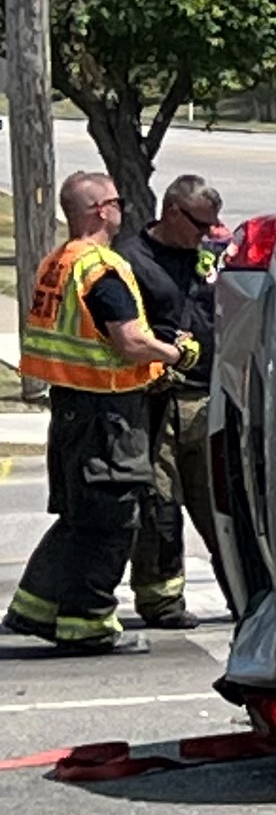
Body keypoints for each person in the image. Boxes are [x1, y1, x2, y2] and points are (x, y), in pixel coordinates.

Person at [10, 171, 192, 652]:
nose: (121, 209)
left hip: (72, 407)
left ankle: (35, 606)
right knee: (111, 518)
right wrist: (175, 354)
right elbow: (129, 340)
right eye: (115, 201)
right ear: (97, 211)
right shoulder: (100, 269)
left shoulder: (58, 262)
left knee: (77, 516)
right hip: (106, 413)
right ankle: (87, 623)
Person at [122, 174, 226, 629]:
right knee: (159, 505)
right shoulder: (131, 260)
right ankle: (161, 601)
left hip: (210, 397)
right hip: (157, 400)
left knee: (222, 503)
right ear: (171, 212)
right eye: (200, 225)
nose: (208, 234)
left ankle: (252, 596)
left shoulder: (211, 256)